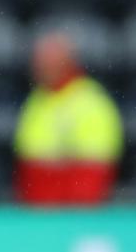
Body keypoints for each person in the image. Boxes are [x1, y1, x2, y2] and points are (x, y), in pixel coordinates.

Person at [13, 32, 122, 205]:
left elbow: (97, 169)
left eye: (51, 62)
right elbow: (26, 162)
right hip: (39, 206)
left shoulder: (92, 100)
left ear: (69, 62)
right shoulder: (36, 101)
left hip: (78, 208)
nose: (43, 67)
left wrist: (54, 170)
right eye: (40, 62)